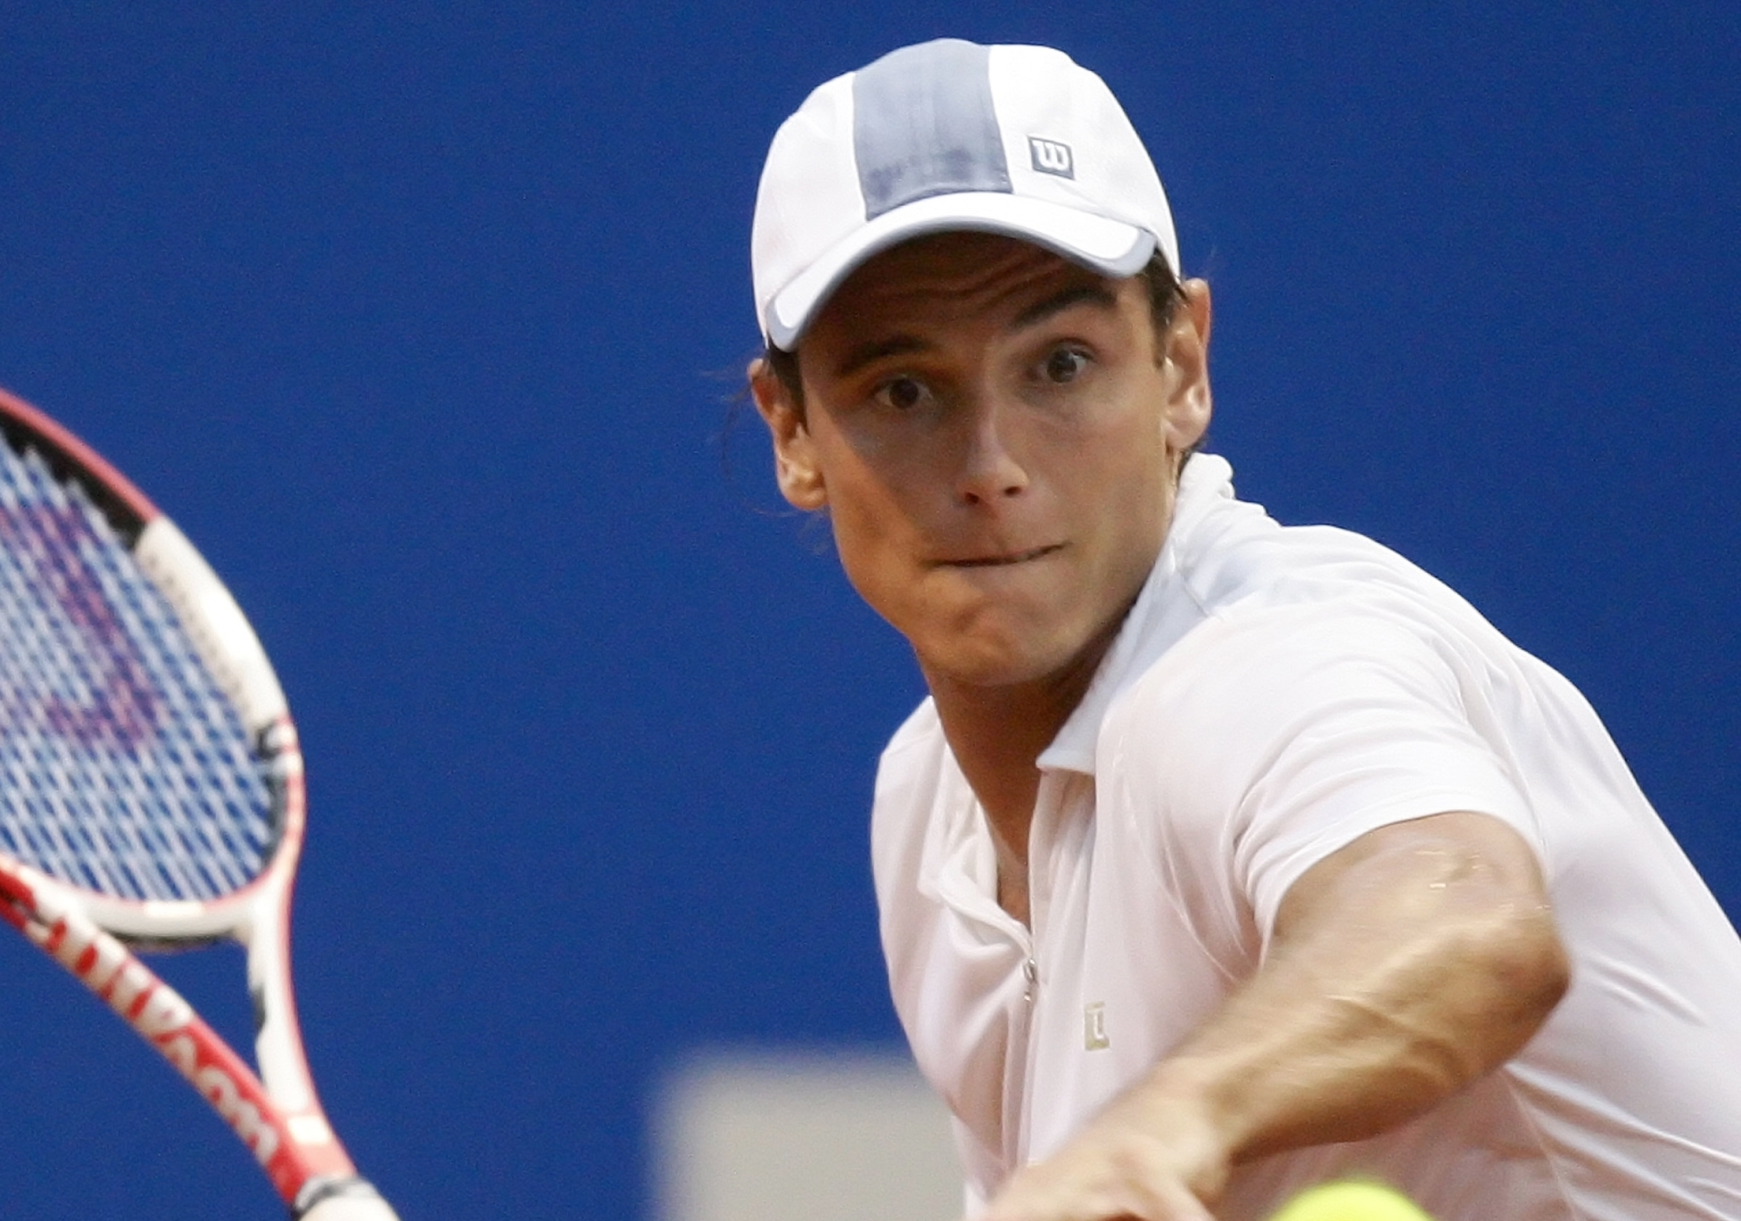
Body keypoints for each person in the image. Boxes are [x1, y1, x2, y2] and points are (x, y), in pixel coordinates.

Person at [743, 38, 1741, 1221]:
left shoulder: (1263, 660)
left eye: (1061, 366)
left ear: (1180, 369)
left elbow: (1468, 912)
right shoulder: (927, 812)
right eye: (903, 390)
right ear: (794, 432)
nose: (991, 465)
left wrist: (1173, 1119)